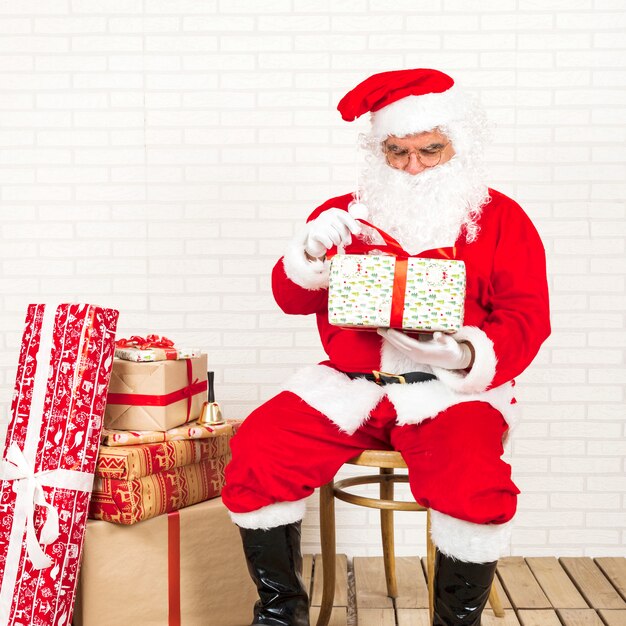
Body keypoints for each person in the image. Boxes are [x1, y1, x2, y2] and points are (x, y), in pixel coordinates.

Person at [222, 68, 551, 626]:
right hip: (349, 388)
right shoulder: (343, 214)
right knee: (259, 448)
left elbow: (528, 317)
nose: (412, 166)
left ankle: (456, 620)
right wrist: (307, 256)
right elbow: (289, 299)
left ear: (458, 146)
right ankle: (280, 614)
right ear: (379, 149)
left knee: (472, 480)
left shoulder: (501, 219)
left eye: (430, 150)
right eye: (396, 151)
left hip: (449, 395)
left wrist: (464, 355)